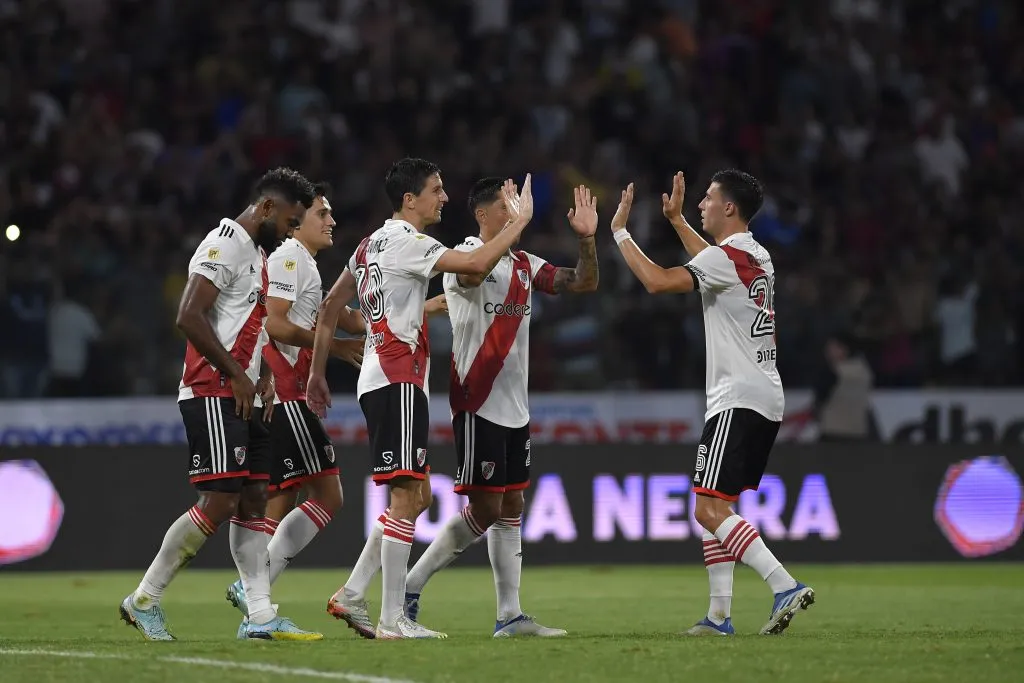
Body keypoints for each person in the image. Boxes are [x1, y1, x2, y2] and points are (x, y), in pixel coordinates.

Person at [306, 157, 534, 639]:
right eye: (436, 189)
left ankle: (352, 593)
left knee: (419, 494)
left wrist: (317, 372)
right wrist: (520, 223)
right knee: (408, 496)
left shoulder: (371, 244)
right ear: (410, 200)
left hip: (379, 372)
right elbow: (474, 263)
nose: (444, 198)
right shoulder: (411, 242)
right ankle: (392, 619)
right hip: (398, 375)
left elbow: (331, 306)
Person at [119, 168, 323, 641]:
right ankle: (144, 598)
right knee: (218, 501)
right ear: (267, 208)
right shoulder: (225, 241)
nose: (293, 231)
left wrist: (264, 374)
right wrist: (237, 376)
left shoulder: (256, 253)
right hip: (212, 388)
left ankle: (260, 615)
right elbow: (187, 316)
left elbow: (247, 323)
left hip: (245, 390)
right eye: (291, 221)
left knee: (254, 499)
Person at [610, 170, 815, 636]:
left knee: (706, 508)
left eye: (707, 198)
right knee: (717, 506)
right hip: (763, 392)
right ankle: (719, 617)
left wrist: (620, 233)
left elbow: (658, 282)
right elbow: (712, 264)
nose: (701, 203)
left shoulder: (730, 257)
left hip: (737, 396)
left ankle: (782, 584)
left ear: (728, 208)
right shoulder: (754, 254)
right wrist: (679, 221)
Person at [402, 178, 600, 637]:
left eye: (520, 204)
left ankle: (509, 616)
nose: (516, 211)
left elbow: (584, 282)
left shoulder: (525, 264)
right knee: (488, 508)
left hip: (517, 407)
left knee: (512, 502)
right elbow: (472, 275)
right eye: (507, 205)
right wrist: (520, 225)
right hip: (479, 401)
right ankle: (411, 583)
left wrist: (587, 238)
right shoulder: (467, 253)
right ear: (483, 215)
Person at [223, 182, 364, 617]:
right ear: (298, 221)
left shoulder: (306, 264)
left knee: (282, 498)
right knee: (329, 495)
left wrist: (414, 308)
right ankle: (254, 587)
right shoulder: (288, 258)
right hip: (286, 393)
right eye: (322, 213)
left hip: (284, 394)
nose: (331, 221)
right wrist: (335, 346)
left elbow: (349, 318)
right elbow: (277, 326)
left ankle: (254, 592)